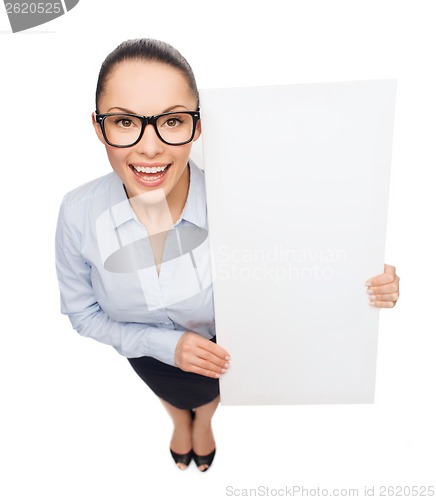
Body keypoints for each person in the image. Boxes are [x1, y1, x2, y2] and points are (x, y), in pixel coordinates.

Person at [55, 38, 400, 472]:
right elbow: (82, 313)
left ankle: (204, 425)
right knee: (170, 396)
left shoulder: (248, 197)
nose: (149, 147)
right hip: (144, 354)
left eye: (173, 121)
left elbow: (301, 269)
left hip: (228, 350)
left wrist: (362, 276)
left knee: (210, 396)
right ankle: (181, 423)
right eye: (125, 122)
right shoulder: (77, 212)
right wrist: (161, 345)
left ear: (197, 127)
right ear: (98, 125)